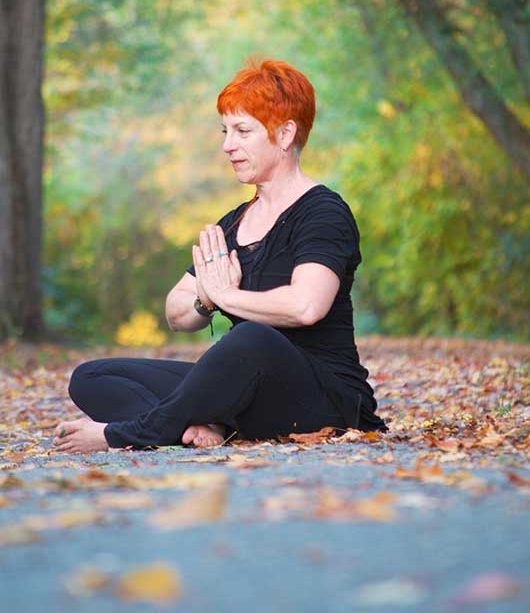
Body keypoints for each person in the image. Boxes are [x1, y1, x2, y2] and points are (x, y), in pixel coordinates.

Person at [54, 59, 386, 453]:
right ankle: (201, 424)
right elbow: (176, 312)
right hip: (248, 393)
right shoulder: (234, 223)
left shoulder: (323, 212)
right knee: (91, 377)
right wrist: (205, 299)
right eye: (225, 131)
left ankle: (132, 432)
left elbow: (306, 307)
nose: (228, 145)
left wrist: (226, 296)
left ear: (285, 133)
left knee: (250, 337)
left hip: (322, 400)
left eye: (242, 131)